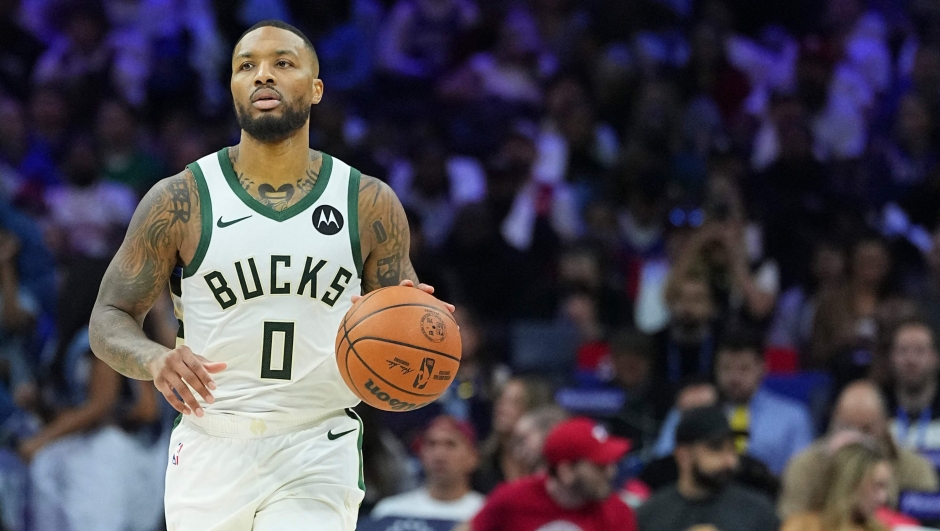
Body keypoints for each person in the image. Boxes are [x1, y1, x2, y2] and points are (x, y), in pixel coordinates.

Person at [88, 19, 452, 531]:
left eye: (283, 63)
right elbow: (109, 317)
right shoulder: (181, 199)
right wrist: (154, 358)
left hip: (316, 442)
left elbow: (400, 317)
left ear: (316, 88)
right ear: (233, 88)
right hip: (211, 442)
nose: (263, 76)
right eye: (247, 66)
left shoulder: (368, 201)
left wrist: (417, 322)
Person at [779, 380, 939, 518]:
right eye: (848, 428)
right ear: (833, 425)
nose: (857, 439)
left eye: (866, 429)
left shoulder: (916, 468)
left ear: (885, 426)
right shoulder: (804, 466)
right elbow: (791, 519)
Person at [467, 417, 638, 531]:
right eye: (600, 467)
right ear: (566, 472)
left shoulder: (618, 513)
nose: (611, 472)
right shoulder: (511, 499)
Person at [637, 406, 781, 531]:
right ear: (683, 456)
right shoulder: (650, 514)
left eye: (732, 449)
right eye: (716, 448)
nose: (730, 460)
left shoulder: (758, 510)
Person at [713, 331, 814, 474]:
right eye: (726, 368)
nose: (734, 378)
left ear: (762, 367)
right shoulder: (696, 412)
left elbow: (804, 475)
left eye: (744, 368)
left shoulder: (793, 416)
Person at [371, 415, 483, 522]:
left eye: (451, 444)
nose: (439, 455)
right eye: (431, 444)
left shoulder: (487, 512)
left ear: (473, 457)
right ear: (421, 454)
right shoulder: (390, 512)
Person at [781, 442, 891, 531]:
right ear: (852, 482)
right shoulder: (802, 527)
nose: (883, 498)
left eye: (885, 487)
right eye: (877, 486)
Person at [885, 319, 940, 460]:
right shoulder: (877, 407)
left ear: (935, 357)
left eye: (920, 351)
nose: (911, 360)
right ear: (891, 356)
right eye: (903, 351)